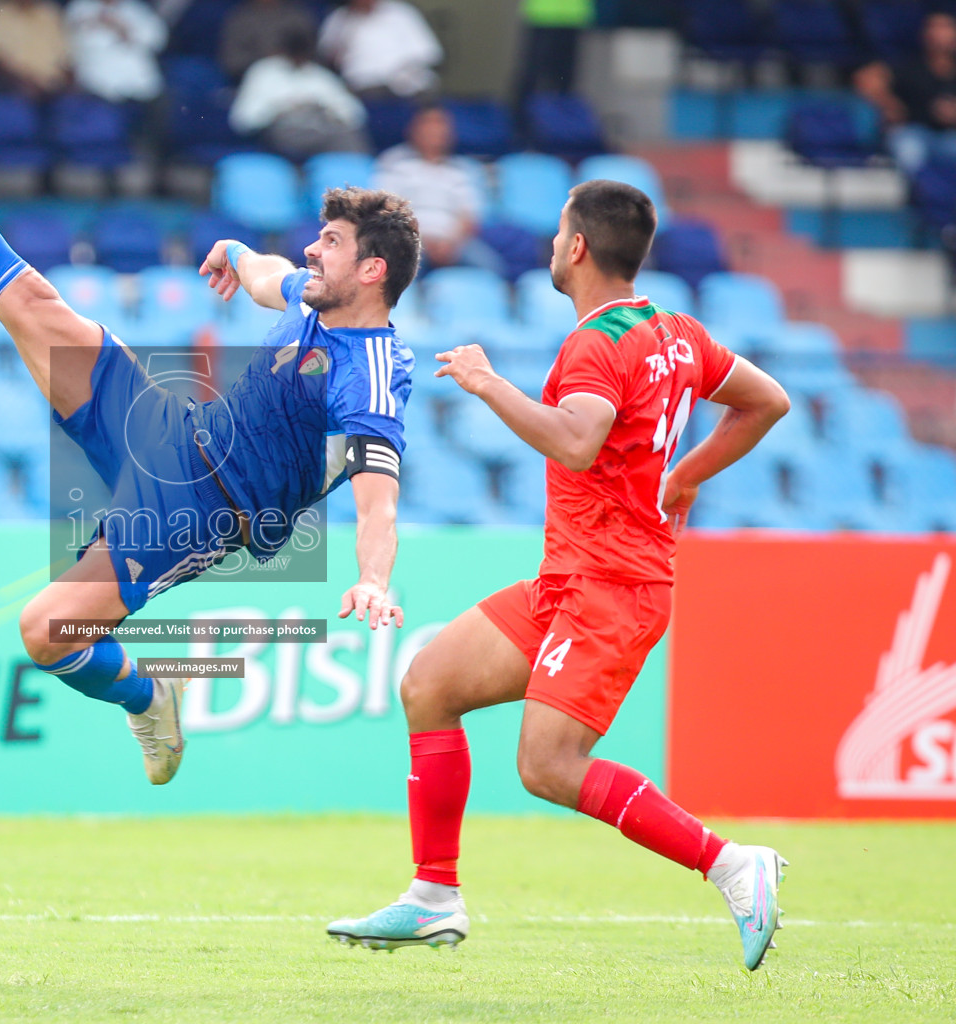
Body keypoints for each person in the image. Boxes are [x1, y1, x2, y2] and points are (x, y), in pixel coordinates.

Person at [0, 20, 419, 786]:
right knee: (29, 300)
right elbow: (272, 270)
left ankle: (148, 696)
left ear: (371, 270)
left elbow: (379, 502)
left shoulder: (372, 371)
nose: (313, 249)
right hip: (171, 433)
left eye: (331, 242)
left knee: (44, 632)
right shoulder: (315, 301)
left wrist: (373, 579)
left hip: (203, 508)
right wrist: (238, 256)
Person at [326, 180, 794, 971]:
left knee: (546, 765)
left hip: (612, 588)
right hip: (572, 580)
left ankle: (730, 864)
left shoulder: (596, 343)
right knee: (429, 684)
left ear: (577, 247)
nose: (549, 245)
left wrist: (488, 383)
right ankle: (434, 895)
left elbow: (577, 442)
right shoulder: (676, 332)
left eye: (556, 233)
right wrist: (684, 479)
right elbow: (767, 400)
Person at [374, 106, 493, 271]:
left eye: (440, 124)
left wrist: (450, 243)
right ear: (413, 129)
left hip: (454, 243)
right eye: (428, 124)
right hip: (406, 239)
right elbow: (387, 208)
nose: (435, 130)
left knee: (489, 266)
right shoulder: (394, 162)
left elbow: (470, 217)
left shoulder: (463, 169)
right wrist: (421, 240)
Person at [229, 26, 367, 161]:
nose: (298, 58)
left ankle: (358, 180)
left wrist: (323, 109)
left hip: (321, 128)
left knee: (351, 140)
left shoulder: (320, 74)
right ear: (282, 51)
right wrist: (283, 108)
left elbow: (355, 114)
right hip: (283, 131)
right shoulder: (263, 71)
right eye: (294, 53)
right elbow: (243, 118)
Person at [856, 10, 956, 175]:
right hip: (913, 131)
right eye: (933, 27)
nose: (939, 33)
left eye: (946, 27)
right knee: (909, 151)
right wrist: (889, 103)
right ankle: (923, 195)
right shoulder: (910, 66)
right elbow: (864, 77)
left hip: (949, 136)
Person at [317, 0, 442, 100]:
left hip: (406, 87)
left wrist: (401, 72)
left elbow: (430, 53)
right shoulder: (339, 18)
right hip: (363, 90)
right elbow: (327, 59)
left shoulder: (401, 12)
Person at [65, 0, 167, 104]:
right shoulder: (81, 7)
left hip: (138, 85)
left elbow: (157, 41)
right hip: (95, 86)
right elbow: (70, 38)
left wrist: (122, 27)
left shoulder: (136, 9)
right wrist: (97, 22)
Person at [0, 0, 71, 99]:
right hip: (17, 84)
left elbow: (64, 56)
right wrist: (22, 82)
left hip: (53, 86)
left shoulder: (49, 13)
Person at [219, 0, 316, 83]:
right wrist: (266, 60)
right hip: (255, 81)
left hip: (299, 78)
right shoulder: (240, 20)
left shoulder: (297, 17)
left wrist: (288, 59)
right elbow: (232, 61)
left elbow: (313, 53)